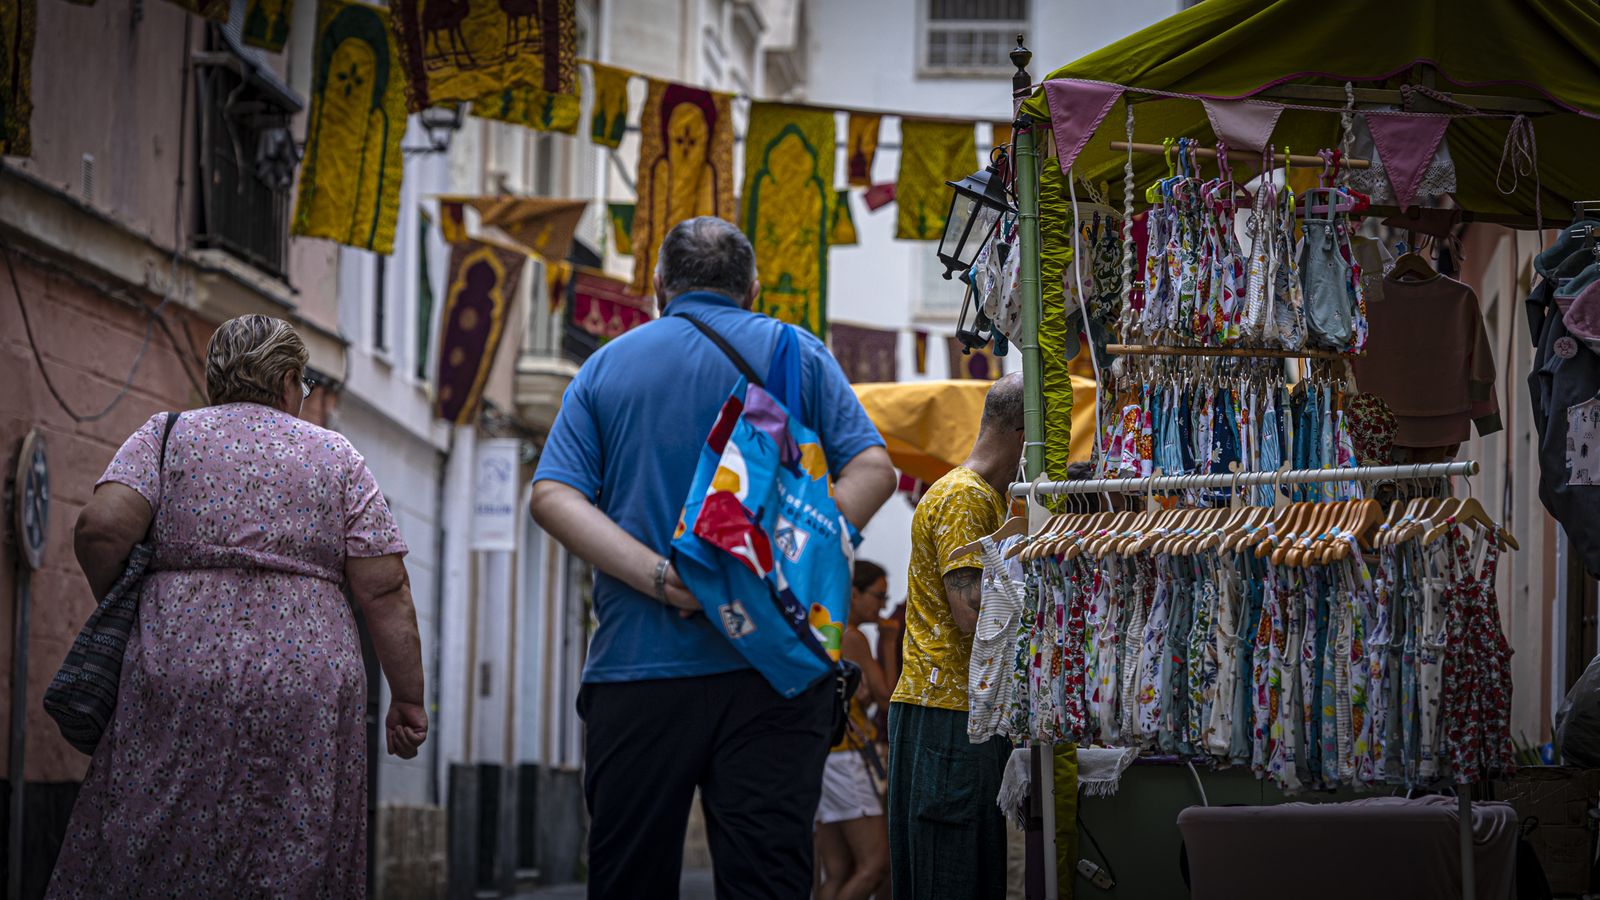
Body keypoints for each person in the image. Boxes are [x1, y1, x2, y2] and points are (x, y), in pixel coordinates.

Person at [530, 216, 897, 899]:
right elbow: (874, 468)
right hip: (775, 669)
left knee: (628, 879)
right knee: (767, 880)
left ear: (658, 286)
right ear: (752, 289)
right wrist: (791, 554)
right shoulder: (798, 354)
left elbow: (553, 495)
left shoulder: (608, 365)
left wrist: (662, 577)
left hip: (638, 668)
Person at [48, 315, 427, 897]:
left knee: (161, 823)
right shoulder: (336, 456)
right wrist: (407, 697)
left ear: (216, 379)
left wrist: (139, 612)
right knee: (294, 835)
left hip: (176, 661)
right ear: (287, 382)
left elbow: (100, 530)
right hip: (308, 682)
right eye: (302, 387)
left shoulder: (167, 434)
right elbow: (385, 588)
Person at [885, 372, 1024, 900]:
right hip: (947, 713)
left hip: (957, 711)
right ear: (1021, 434)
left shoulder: (978, 496)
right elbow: (970, 612)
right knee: (952, 874)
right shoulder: (965, 498)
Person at [815, 561, 899, 900]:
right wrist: (890, 641)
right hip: (848, 758)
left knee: (838, 871)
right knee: (875, 866)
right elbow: (888, 697)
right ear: (854, 593)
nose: (882, 606)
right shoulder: (852, 636)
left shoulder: (826, 631)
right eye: (878, 596)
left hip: (826, 757)